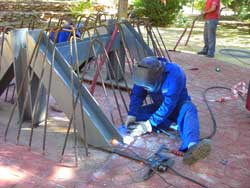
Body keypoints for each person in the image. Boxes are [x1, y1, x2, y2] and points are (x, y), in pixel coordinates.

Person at [125, 56, 211, 165]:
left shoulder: (175, 74)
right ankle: (171, 125)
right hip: (159, 107)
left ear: (157, 77)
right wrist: (132, 114)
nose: (145, 89)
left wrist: (148, 125)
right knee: (138, 113)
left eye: (147, 87)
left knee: (189, 109)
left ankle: (192, 146)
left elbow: (168, 105)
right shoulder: (142, 73)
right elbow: (137, 95)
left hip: (177, 108)